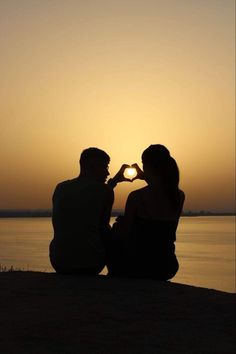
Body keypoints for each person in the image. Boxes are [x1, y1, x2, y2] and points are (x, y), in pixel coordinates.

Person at [107, 144, 185, 280]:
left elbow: (124, 232)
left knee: (112, 229)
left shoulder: (137, 196)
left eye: (143, 164)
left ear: (147, 166)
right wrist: (147, 176)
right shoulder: (178, 195)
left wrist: (113, 182)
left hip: (138, 266)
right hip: (166, 266)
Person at [49, 147, 129, 275]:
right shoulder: (104, 191)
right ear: (91, 167)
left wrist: (113, 182)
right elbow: (103, 229)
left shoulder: (60, 188)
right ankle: (116, 273)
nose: (107, 173)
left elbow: (88, 198)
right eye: (105, 167)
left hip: (59, 262)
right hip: (90, 265)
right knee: (118, 228)